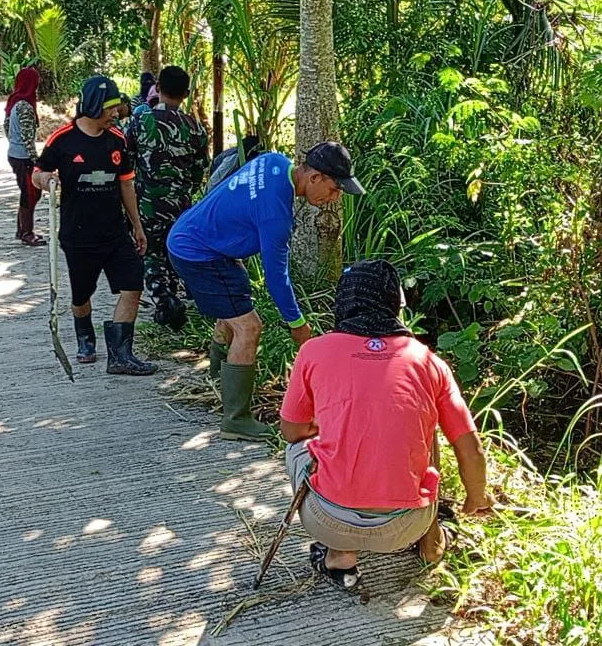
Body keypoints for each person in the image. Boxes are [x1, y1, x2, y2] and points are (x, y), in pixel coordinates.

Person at [279, 259, 493, 590]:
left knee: (298, 449)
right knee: (427, 435)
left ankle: (340, 556)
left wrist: (328, 429)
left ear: (343, 301)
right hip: (407, 526)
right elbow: (469, 446)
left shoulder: (314, 351)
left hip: (327, 520)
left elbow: (291, 432)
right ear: (395, 304)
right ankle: (431, 542)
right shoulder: (428, 361)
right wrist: (477, 497)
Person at [167, 141, 365, 441]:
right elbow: (276, 278)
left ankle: (217, 377)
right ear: (315, 177)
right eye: (335, 189)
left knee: (234, 306)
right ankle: (236, 419)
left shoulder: (274, 162)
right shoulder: (276, 215)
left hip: (203, 240)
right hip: (199, 252)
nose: (334, 198)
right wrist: (297, 324)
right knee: (248, 327)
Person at [31, 75, 157, 376]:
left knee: (133, 283)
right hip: (78, 235)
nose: (116, 113)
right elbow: (37, 174)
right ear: (94, 106)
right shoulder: (62, 139)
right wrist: (47, 180)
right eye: (111, 107)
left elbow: (126, 184)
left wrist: (137, 226)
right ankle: (85, 336)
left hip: (115, 232)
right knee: (81, 295)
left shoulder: (117, 140)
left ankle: (121, 355)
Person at [124, 65, 209, 331]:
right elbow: (200, 169)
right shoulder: (195, 128)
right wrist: (183, 190)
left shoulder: (140, 121)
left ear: (158, 88)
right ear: (186, 93)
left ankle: (164, 300)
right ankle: (174, 299)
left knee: (150, 253)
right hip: (180, 205)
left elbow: (127, 162)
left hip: (147, 204)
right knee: (174, 251)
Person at [4, 66, 45, 246]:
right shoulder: (26, 106)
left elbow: (6, 127)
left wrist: (14, 142)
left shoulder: (14, 102)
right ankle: (27, 232)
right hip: (23, 157)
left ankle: (22, 229)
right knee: (31, 193)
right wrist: (37, 161)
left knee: (27, 192)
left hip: (14, 153)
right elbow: (28, 138)